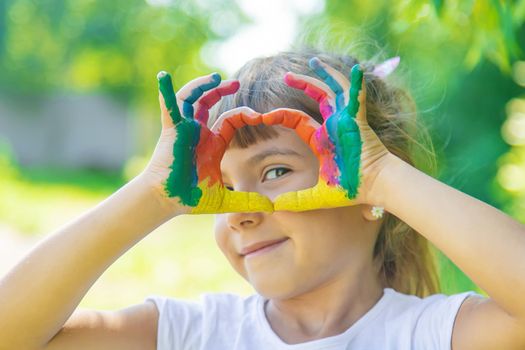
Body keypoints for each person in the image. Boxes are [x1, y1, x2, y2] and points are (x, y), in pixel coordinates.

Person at [1, 47, 525, 350]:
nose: (241, 212)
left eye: (275, 170)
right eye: (223, 187)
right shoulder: (190, 334)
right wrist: (150, 196)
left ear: (370, 192)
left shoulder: (431, 335)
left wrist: (384, 174)